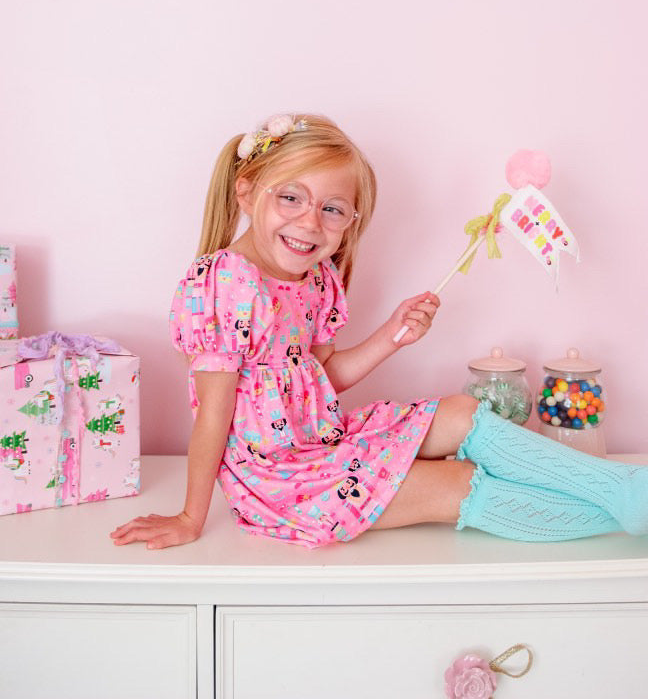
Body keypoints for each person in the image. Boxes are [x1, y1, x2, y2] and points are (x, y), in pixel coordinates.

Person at [111, 113, 648, 551]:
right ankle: (626, 508)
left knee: (461, 412)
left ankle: (627, 492)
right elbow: (214, 415)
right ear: (247, 194)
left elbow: (319, 379)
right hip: (279, 480)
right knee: (453, 484)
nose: (309, 223)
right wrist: (189, 516)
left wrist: (393, 334)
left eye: (332, 209)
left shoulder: (316, 280)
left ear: (351, 220)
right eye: (290, 198)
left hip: (325, 441)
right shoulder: (222, 283)